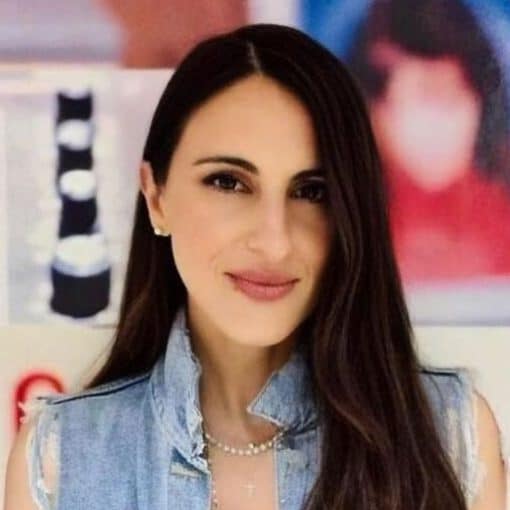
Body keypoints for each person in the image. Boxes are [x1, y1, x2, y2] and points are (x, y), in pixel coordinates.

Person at [3, 23, 506, 510]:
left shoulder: (451, 437)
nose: (273, 241)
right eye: (228, 182)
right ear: (156, 197)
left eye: (312, 191)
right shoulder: (61, 459)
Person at [345, 0, 510, 283]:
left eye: (451, 98)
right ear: (375, 110)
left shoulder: (502, 213)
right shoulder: (340, 225)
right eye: (424, 97)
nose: (437, 125)